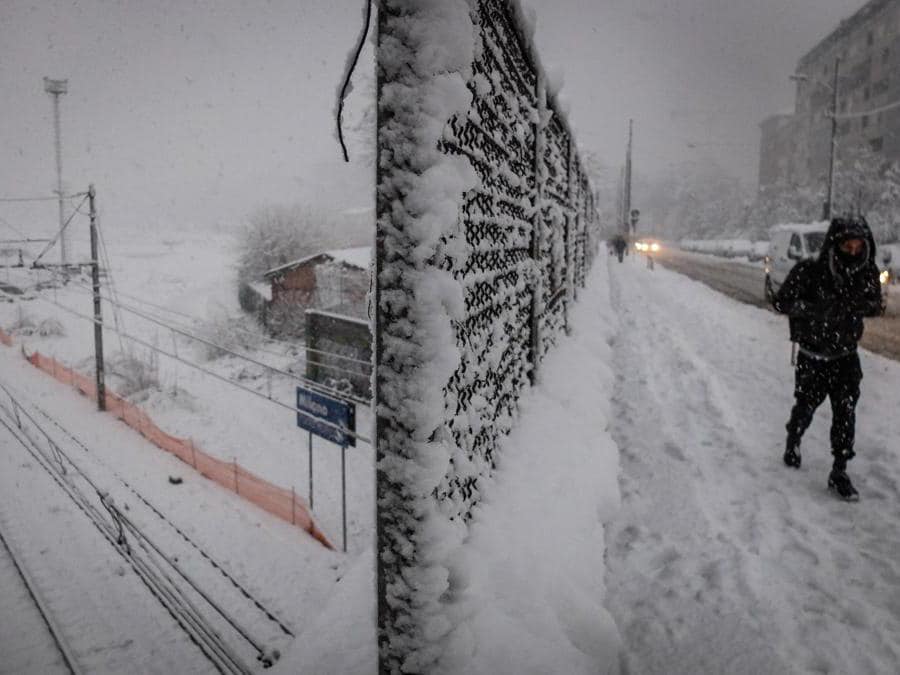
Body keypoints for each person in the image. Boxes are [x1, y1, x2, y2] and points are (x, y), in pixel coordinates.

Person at [767, 216, 884, 501]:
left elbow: (875, 305)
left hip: (846, 356)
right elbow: (781, 301)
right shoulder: (810, 271)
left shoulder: (865, 273)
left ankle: (839, 470)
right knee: (806, 406)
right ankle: (794, 439)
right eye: (848, 245)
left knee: (845, 413)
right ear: (836, 244)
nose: (853, 251)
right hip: (813, 355)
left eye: (859, 246)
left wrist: (855, 304)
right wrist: (813, 309)